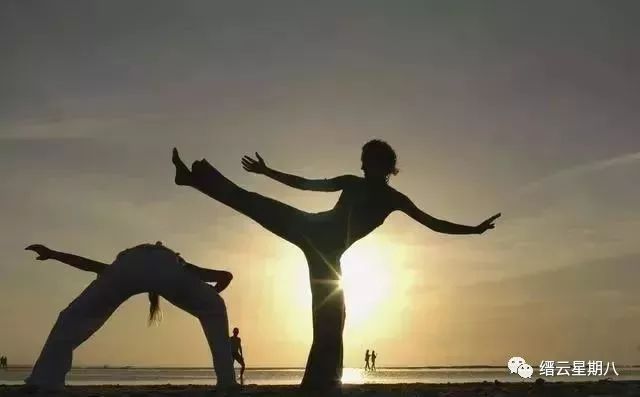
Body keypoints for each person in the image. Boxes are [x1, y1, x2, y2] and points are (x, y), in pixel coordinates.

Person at [172, 140, 500, 391]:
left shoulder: (394, 199)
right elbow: (307, 184)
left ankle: (322, 383)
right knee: (257, 204)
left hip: (328, 257)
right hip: (309, 227)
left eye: (376, 162)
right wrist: (267, 171)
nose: (368, 167)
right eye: (366, 161)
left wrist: (474, 229)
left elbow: (433, 222)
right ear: (365, 164)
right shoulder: (352, 183)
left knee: (332, 320)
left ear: (387, 167)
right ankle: (192, 178)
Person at [23, 242, 239, 393]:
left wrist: (53, 254)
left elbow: (88, 265)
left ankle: (43, 381)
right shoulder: (173, 263)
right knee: (215, 309)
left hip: (129, 266)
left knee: (70, 319)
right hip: (169, 267)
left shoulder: (126, 264)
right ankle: (228, 383)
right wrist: (205, 297)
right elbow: (214, 274)